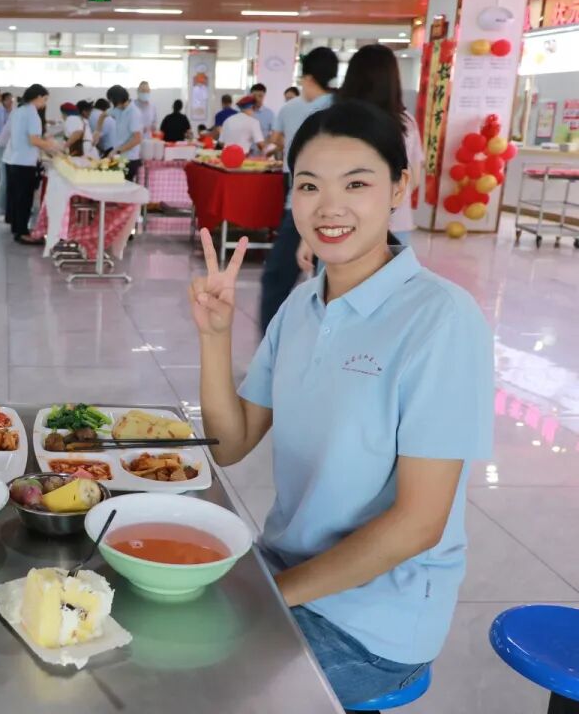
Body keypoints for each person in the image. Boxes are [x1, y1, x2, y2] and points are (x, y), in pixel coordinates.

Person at [190, 100, 492, 707]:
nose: (329, 208)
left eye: (356, 183)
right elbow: (230, 442)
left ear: (398, 187)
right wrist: (215, 337)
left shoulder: (440, 319)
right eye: (308, 186)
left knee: (197, 687)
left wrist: (270, 594)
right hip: (287, 574)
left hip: (372, 625)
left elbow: (418, 523)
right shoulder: (302, 306)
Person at [259, 46, 338, 335]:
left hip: (301, 203)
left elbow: (278, 142)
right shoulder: (347, 108)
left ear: (306, 78)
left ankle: (272, 349)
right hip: (339, 207)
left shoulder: (292, 108)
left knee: (276, 277)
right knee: (331, 283)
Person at [334, 44, 424, 245]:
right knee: (392, 276)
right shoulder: (406, 123)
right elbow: (414, 179)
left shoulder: (338, 121)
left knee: (339, 276)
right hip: (395, 222)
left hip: (341, 221)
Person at [4, 83, 60, 244]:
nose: (45, 103)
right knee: (24, 199)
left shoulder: (18, 111)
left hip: (13, 159)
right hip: (24, 162)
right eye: (45, 99)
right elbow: (34, 139)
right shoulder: (32, 114)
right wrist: (52, 147)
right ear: (37, 97)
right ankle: (22, 233)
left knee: (16, 197)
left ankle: (16, 227)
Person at [106, 84, 144, 182]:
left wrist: (117, 150)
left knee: (124, 190)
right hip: (119, 156)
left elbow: (137, 139)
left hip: (130, 159)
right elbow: (103, 114)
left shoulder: (133, 113)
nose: (112, 105)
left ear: (118, 100)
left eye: (112, 101)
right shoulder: (118, 109)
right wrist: (97, 130)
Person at [0, 93, 15, 216]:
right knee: (4, 179)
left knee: (8, 179)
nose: (11, 102)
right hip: (0, 149)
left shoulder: (14, 115)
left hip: (6, 149)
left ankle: (6, 207)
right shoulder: (14, 117)